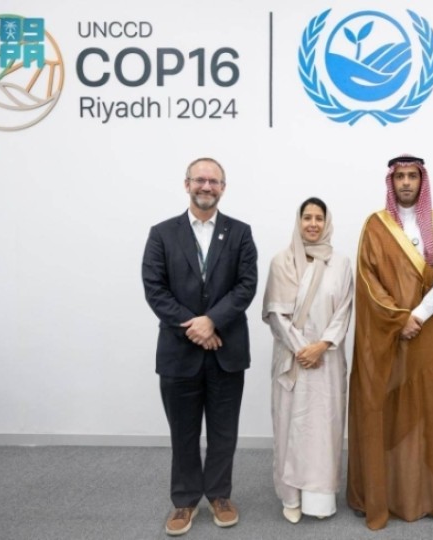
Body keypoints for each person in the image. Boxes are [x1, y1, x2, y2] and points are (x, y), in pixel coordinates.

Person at [346, 154, 433, 530]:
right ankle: (389, 494)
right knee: (391, 414)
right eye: (400, 176)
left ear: (422, 181)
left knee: (430, 412)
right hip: (389, 337)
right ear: (391, 181)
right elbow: (367, 279)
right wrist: (400, 319)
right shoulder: (375, 225)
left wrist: (419, 314)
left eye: (413, 176)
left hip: (428, 334)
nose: (406, 183)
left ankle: (427, 495)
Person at [141, 157, 258, 536]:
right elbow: (155, 288)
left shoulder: (240, 233)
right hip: (179, 352)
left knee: (224, 431)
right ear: (187, 184)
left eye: (214, 181)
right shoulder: (162, 233)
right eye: (200, 180)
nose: (206, 186)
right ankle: (185, 500)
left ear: (223, 187)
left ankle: (220, 495)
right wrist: (195, 326)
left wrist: (212, 321)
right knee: (184, 432)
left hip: (227, 351)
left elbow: (246, 285)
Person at [262, 197, 353, 523]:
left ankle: (319, 499)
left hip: (327, 360)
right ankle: (290, 496)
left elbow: (344, 310)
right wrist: (304, 349)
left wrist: (322, 346)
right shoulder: (282, 261)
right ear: (298, 221)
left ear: (327, 223)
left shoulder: (341, 263)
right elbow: (276, 313)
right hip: (293, 359)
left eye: (319, 218)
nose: (313, 224)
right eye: (307, 218)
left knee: (323, 429)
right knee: (290, 425)